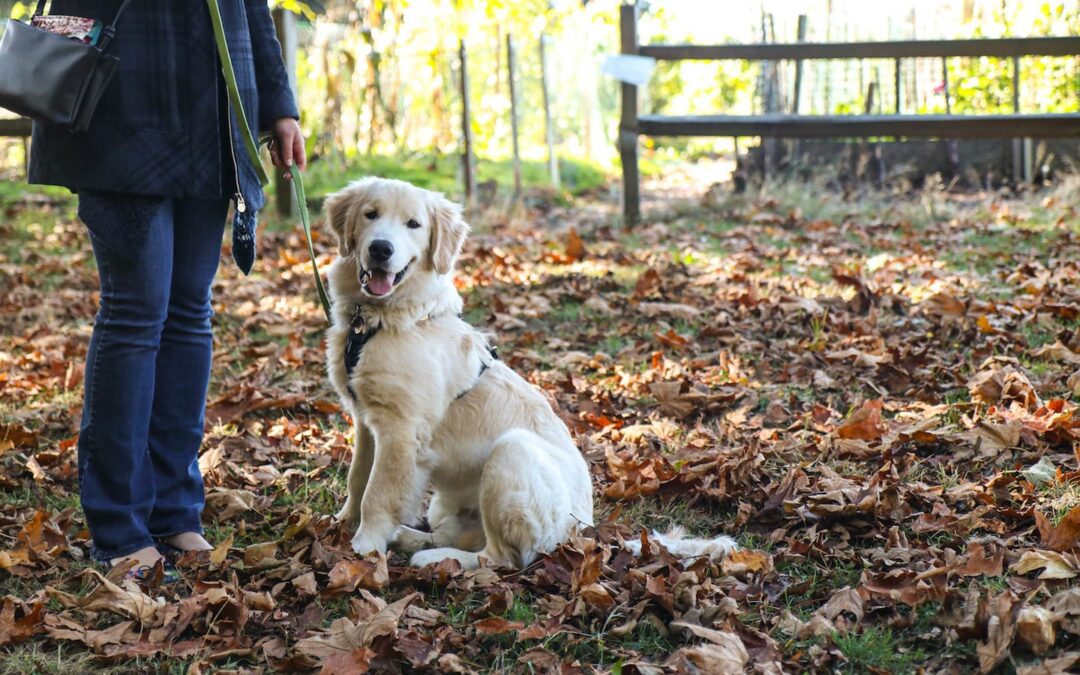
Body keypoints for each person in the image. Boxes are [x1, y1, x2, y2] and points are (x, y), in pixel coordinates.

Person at [27, 0, 305, 573]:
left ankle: (175, 513)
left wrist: (279, 105)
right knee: (137, 310)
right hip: (119, 99)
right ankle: (119, 526)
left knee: (188, 312)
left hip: (213, 111)